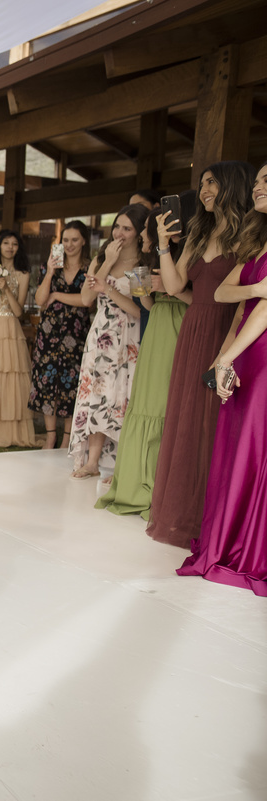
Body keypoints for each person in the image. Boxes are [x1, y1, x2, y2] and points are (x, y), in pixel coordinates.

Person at [145, 162, 254, 547]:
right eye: (203, 183)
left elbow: (243, 299)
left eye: (211, 182)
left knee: (218, 422)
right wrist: (163, 243)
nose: (204, 189)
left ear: (231, 185)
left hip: (229, 330)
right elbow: (174, 285)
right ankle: (181, 516)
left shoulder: (249, 234)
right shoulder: (199, 230)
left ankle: (215, 520)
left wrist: (227, 350)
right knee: (187, 418)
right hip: (193, 329)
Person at [178, 160, 267, 595]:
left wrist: (225, 358)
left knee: (254, 448)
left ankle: (250, 549)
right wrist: (255, 288)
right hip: (244, 350)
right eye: (258, 181)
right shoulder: (258, 241)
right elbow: (225, 292)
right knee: (233, 446)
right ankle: (231, 539)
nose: (258, 187)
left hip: (261, 354)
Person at [96, 194, 194, 517]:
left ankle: (155, 482)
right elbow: (148, 307)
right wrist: (145, 291)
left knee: (164, 405)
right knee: (147, 403)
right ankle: (136, 481)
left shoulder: (188, 254)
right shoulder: (154, 260)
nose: (148, 240)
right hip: (157, 327)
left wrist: (166, 287)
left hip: (179, 325)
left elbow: (192, 296)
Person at [67, 205, 148, 479]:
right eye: (117, 226)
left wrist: (109, 289)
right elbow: (87, 299)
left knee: (124, 395)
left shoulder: (142, 264)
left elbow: (141, 311)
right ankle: (92, 462)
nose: (120, 233)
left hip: (129, 337)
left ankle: (124, 463)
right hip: (101, 335)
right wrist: (107, 264)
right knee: (98, 394)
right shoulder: (101, 258)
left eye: (127, 228)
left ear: (138, 233)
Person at [29, 221, 91, 449]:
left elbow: (87, 300)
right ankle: (51, 435)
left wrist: (57, 295)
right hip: (48, 334)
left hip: (76, 335)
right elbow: (40, 300)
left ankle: (67, 438)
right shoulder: (51, 267)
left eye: (75, 240)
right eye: (66, 240)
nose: (70, 244)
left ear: (84, 240)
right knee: (48, 383)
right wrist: (50, 273)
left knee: (71, 385)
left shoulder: (90, 268)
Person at [0, 229, 35, 447]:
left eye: (15, 244)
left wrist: (7, 289)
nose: (10, 247)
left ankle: (6, 430)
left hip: (9, 327)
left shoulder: (22, 273)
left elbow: (19, 312)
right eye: (6, 243)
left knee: (8, 378)